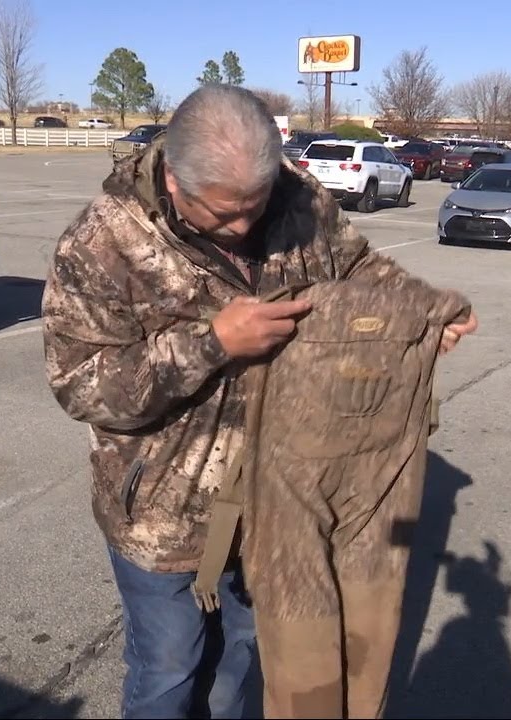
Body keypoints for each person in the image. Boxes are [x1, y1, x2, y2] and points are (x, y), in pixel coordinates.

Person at [40, 84, 478, 719]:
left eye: (256, 204)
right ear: (173, 177)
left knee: (247, 665)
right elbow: (80, 384)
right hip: (166, 516)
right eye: (222, 214)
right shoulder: (101, 244)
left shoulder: (299, 198)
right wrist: (212, 342)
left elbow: (359, 269)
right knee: (168, 674)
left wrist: (424, 312)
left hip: (286, 503)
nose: (244, 225)